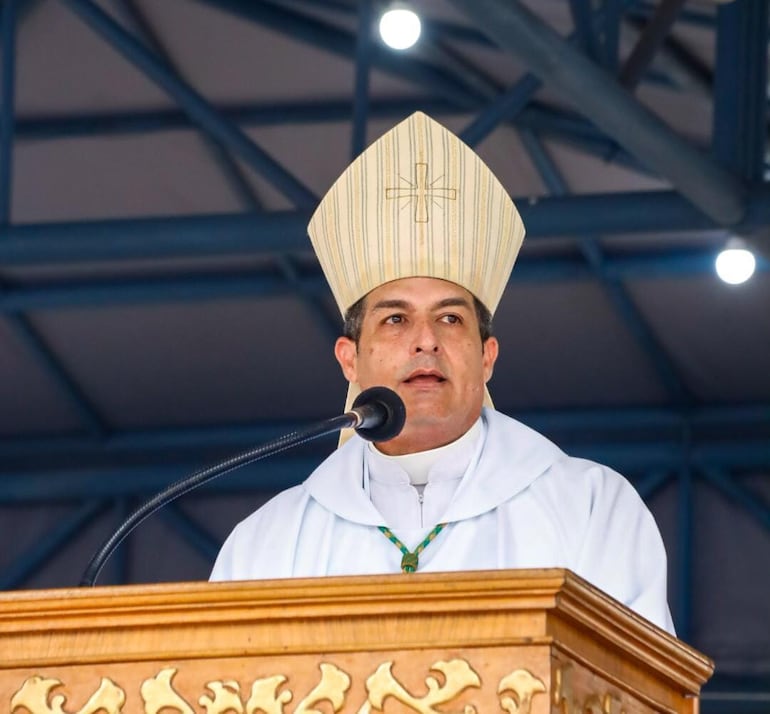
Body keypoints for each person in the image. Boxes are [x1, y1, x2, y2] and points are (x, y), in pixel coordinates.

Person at [210, 112, 675, 635]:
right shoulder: (269, 543)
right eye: (395, 319)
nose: (425, 339)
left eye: (450, 318)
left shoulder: (590, 509)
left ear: (487, 356)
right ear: (349, 359)